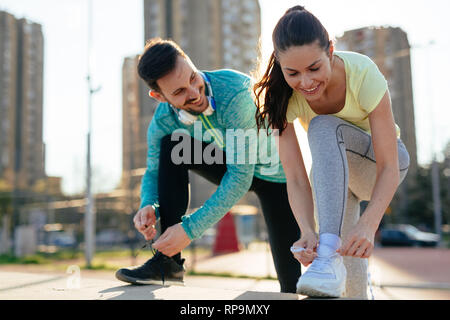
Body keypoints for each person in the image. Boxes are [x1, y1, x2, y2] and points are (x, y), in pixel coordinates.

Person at [115, 38, 301, 293]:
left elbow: (240, 177)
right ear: (159, 96)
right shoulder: (163, 120)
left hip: (274, 176)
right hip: (229, 160)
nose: (193, 92)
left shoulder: (234, 93)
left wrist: (190, 229)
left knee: (291, 286)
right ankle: (168, 264)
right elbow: (154, 170)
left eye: (192, 77)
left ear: (191, 63)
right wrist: (149, 203)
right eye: (178, 92)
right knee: (172, 147)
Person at [254, 6, 410, 299]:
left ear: (331, 51)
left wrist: (368, 224)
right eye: (293, 73)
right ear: (280, 66)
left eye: (314, 68)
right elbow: (297, 178)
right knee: (349, 282)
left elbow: (389, 166)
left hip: (383, 167)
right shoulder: (281, 99)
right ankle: (343, 271)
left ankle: (326, 257)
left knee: (323, 127)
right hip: (338, 182)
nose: (306, 82)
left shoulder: (363, 74)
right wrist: (306, 230)